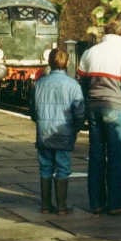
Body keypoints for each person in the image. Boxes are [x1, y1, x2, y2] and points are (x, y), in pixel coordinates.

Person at [78, 18, 121, 215]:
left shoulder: (90, 52)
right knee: (116, 155)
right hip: (115, 107)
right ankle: (116, 204)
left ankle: (96, 203)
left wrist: (89, 102)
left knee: (96, 155)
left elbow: (81, 82)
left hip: (94, 107)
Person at [30, 48, 85, 215]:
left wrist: (40, 123)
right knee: (62, 168)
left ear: (49, 63)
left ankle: (46, 206)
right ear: (67, 63)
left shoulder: (39, 84)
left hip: (44, 133)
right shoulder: (73, 85)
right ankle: (62, 207)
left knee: (45, 167)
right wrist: (76, 128)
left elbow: (32, 108)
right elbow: (80, 111)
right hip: (65, 133)